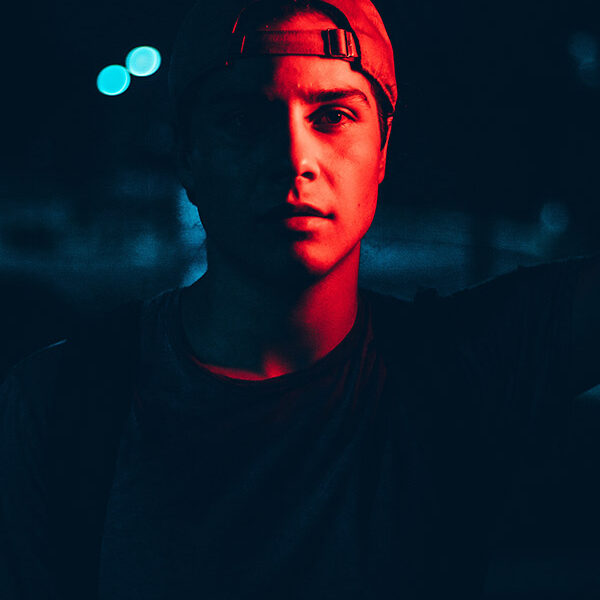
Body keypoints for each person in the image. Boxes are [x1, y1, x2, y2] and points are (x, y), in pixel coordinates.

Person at [1, 0, 600, 598]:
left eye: (334, 116)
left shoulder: (464, 367)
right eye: (243, 121)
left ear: (383, 147)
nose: (295, 160)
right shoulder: (61, 405)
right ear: (187, 155)